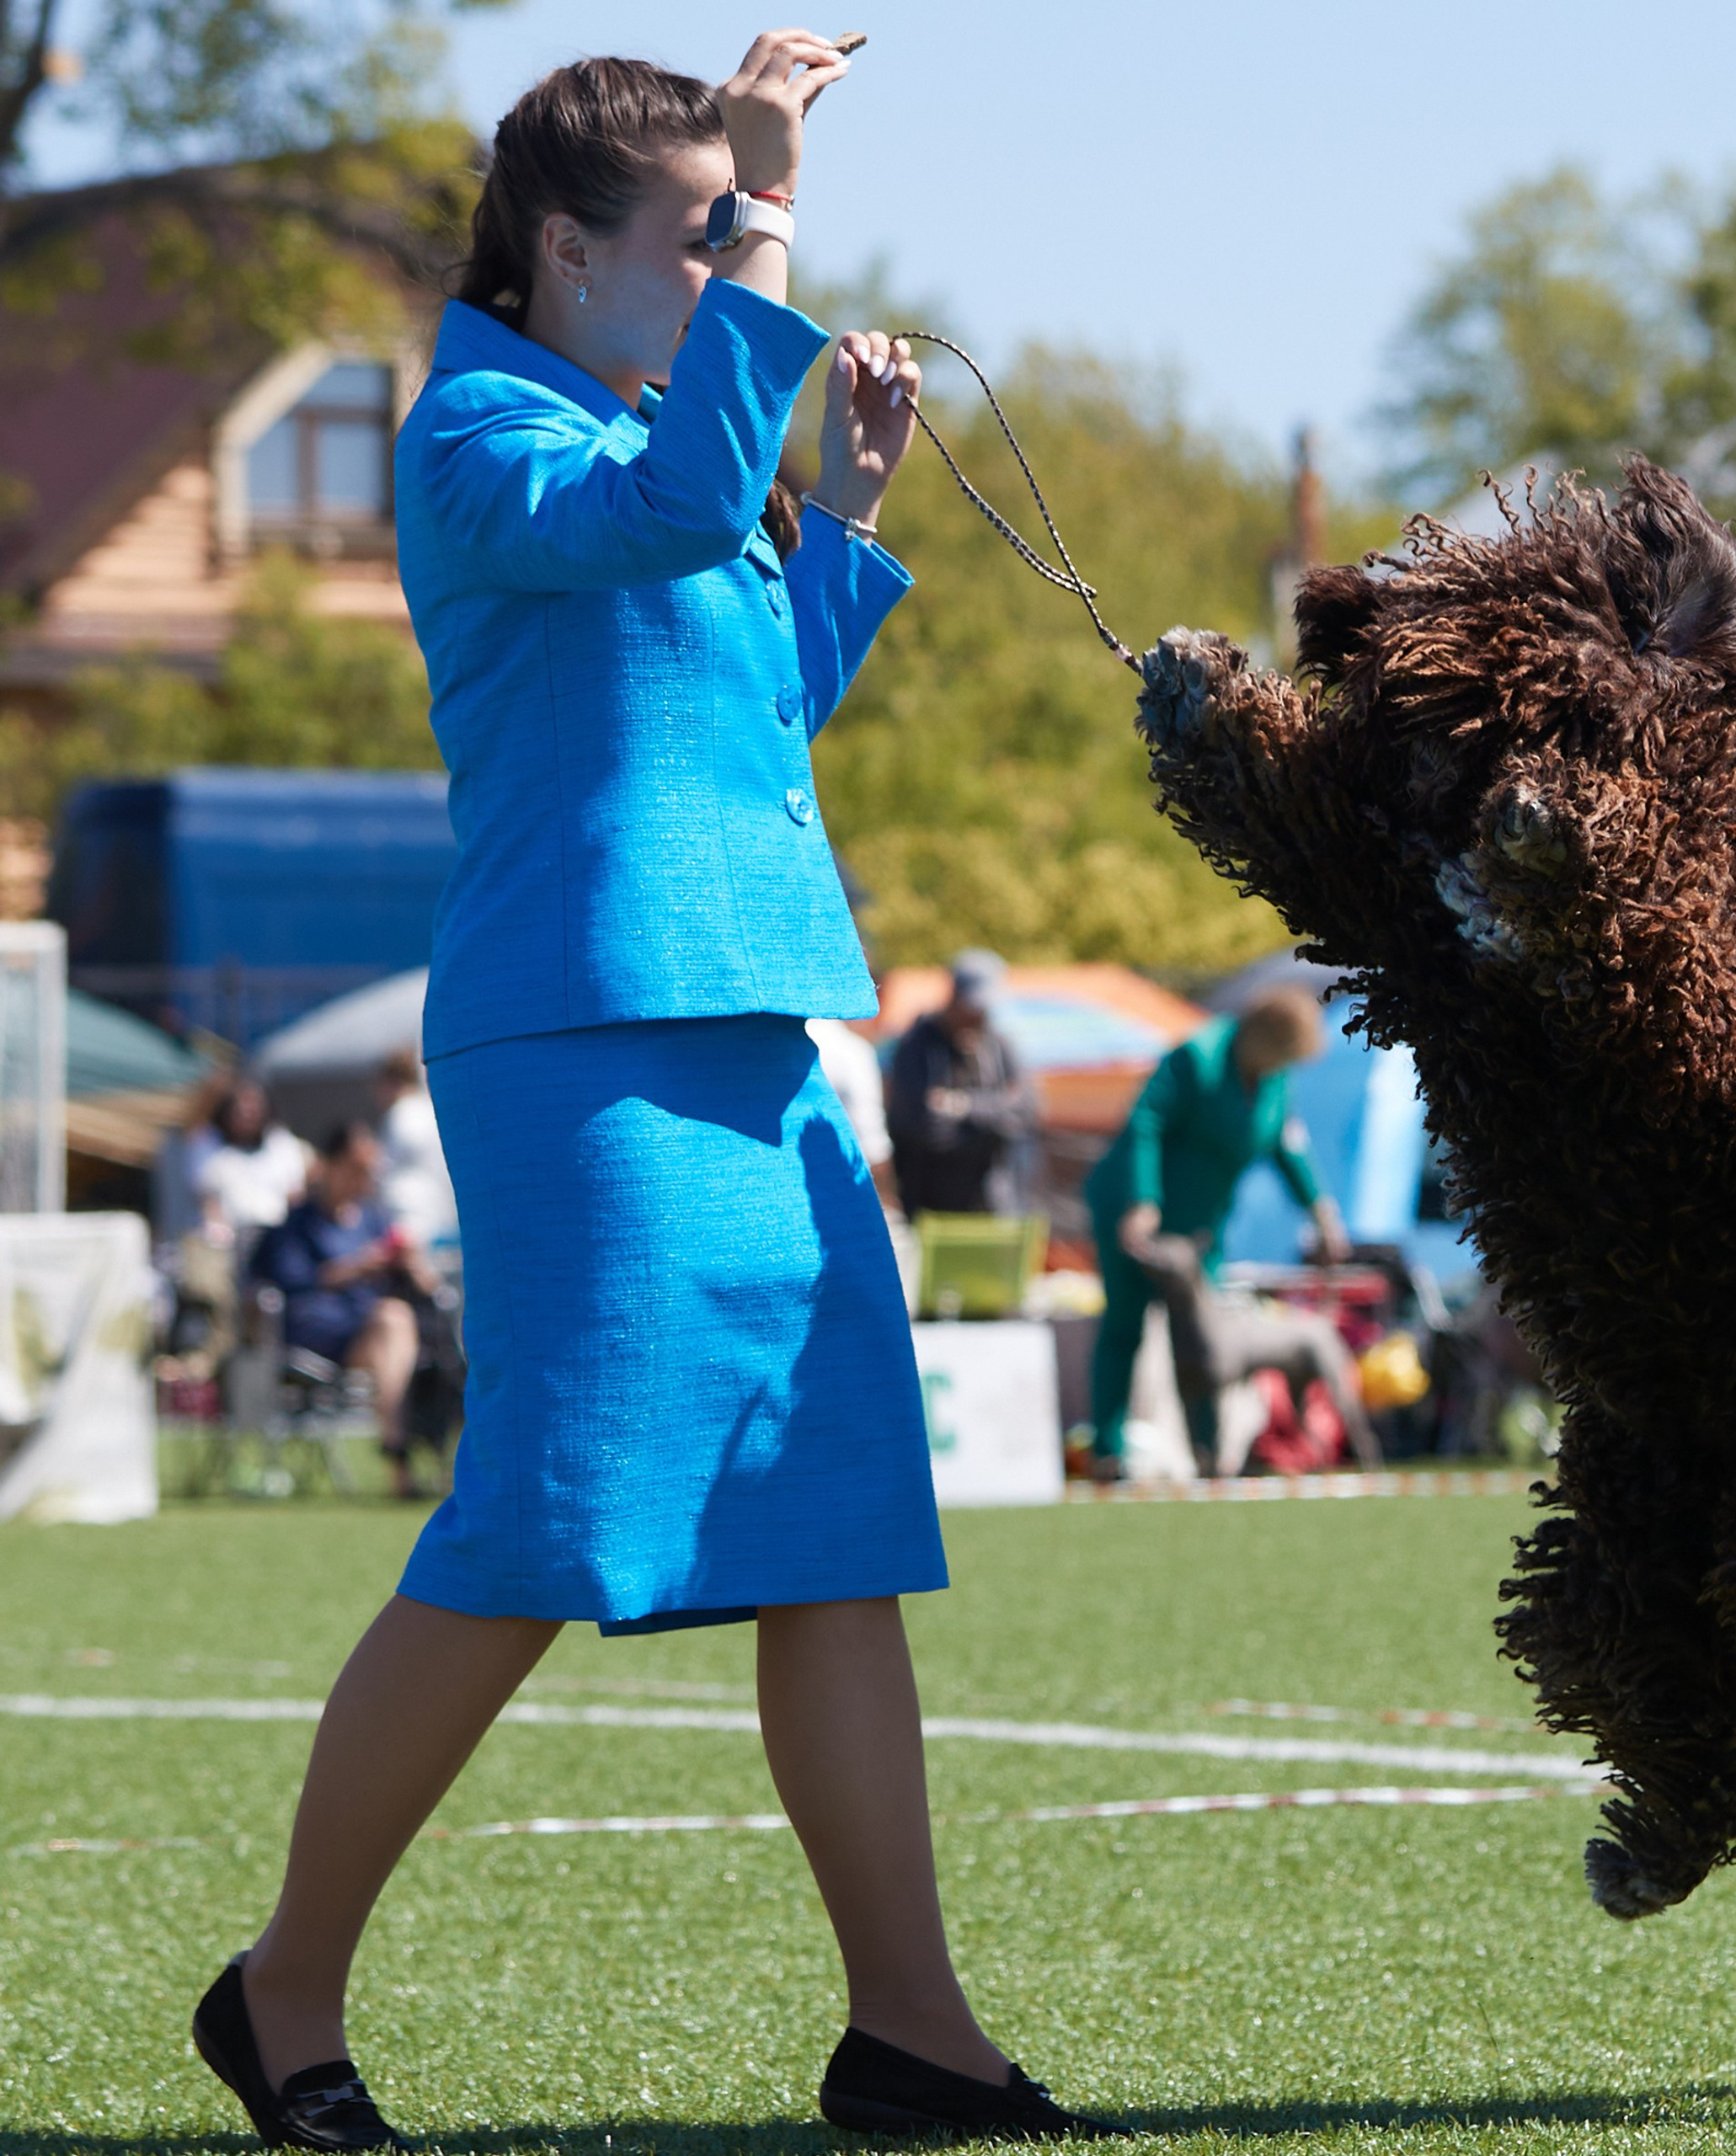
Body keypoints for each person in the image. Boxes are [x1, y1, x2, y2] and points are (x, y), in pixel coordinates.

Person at [186, 45, 1111, 2155]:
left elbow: (754, 717)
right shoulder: (474, 434)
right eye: (696, 231)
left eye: (735, 226)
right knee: (538, 1527)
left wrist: (851, 513)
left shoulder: (632, 429)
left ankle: (912, 2030)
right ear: (563, 247)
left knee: (841, 1530)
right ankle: (284, 1987)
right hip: (580, 1049)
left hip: (752, 1029)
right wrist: (777, 202)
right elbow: (688, 508)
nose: (726, 259)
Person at [1084, 987, 1351, 1480]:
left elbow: (1286, 1144)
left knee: (1202, 1341)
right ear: (1259, 1036)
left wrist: (1320, 1208)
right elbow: (1146, 1123)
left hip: (1200, 1230)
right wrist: (1143, 1200)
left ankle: (1207, 1456)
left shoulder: (1273, 1081)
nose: (1286, 1066)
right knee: (1126, 1325)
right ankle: (1107, 1450)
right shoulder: (1196, 1058)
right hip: (1134, 1215)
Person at [249, 1123, 437, 1500]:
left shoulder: (374, 1219)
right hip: (319, 1330)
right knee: (393, 1320)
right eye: (357, 1168)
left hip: (373, 1331)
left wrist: (414, 1264)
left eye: (371, 1169)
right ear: (330, 1166)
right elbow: (293, 1280)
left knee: (399, 1322)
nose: (367, 1178)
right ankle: (400, 1453)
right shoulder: (298, 1222)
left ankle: (401, 1447)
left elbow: (429, 1288)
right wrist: (363, 1266)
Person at [884, 949, 1036, 1217]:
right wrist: (997, 1112)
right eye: (971, 1009)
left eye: (983, 1010)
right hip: (932, 1208)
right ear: (953, 998)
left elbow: (1027, 1112)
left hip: (994, 1204)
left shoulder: (998, 1045)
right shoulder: (917, 1046)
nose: (977, 1018)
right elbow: (929, 1129)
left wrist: (961, 1106)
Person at [192, 1077, 310, 1242]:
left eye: (255, 1108)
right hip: (233, 1240)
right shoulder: (210, 1149)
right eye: (240, 1109)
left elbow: (296, 1197)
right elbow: (208, 1203)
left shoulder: (282, 1144)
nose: (248, 1114)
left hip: (278, 1237)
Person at [806, 1015, 899, 1211]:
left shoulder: (777, 1045)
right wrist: (887, 1198)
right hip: (838, 1188)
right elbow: (873, 1142)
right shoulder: (852, 1051)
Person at [372, 1047, 457, 1252]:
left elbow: (382, 1170)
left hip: (407, 1221)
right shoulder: (431, 1111)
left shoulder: (400, 1116)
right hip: (442, 1217)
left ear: (389, 1082)